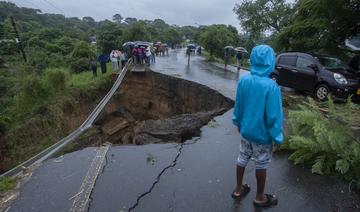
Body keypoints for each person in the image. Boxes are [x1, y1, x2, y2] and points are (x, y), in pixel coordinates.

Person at [231, 45, 283, 208]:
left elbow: (238, 104)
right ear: (270, 61)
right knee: (261, 163)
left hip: (246, 131)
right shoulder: (271, 86)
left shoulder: (244, 80)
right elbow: (273, 116)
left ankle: (238, 189)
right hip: (262, 135)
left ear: (252, 59)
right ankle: (260, 197)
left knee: (242, 158)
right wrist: (277, 136)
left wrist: (238, 122)